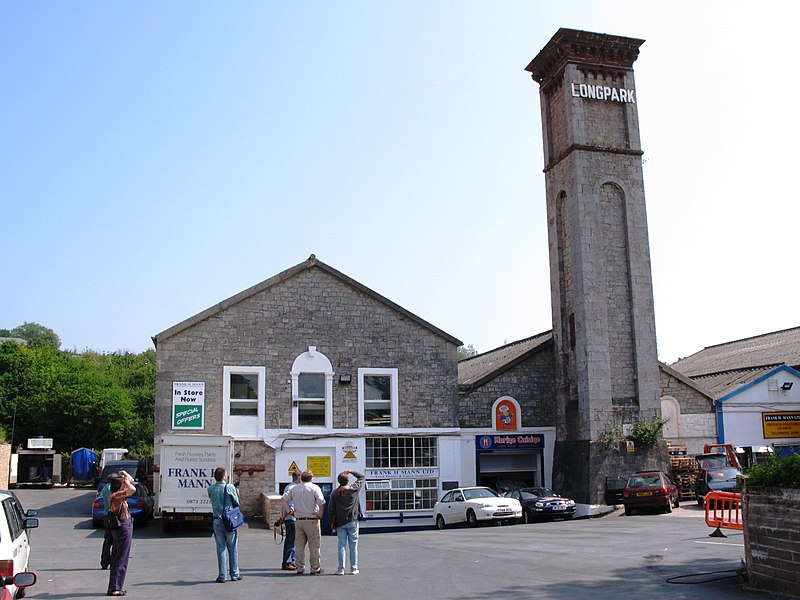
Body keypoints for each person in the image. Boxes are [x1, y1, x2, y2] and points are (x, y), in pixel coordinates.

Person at [281, 469, 325, 575]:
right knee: (314, 545)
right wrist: (320, 514)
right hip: (311, 520)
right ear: (311, 478)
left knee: (299, 545)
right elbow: (321, 502)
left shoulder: (295, 488)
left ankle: (300, 567)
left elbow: (283, 499)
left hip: (298, 520)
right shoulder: (315, 488)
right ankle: (315, 568)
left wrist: (288, 511)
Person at [207, 467, 242, 583]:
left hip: (217, 519)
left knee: (220, 548)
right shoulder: (230, 487)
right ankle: (234, 574)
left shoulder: (211, 489)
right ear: (223, 476)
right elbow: (236, 503)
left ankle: (222, 575)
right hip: (229, 520)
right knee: (232, 547)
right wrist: (237, 494)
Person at [328, 469, 365, 575]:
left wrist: (331, 522)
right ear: (348, 480)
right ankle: (354, 568)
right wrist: (351, 471)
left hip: (340, 522)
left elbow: (331, 509)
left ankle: (341, 569)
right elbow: (361, 477)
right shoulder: (354, 489)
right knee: (353, 545)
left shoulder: (335, 492)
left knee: (341, 545)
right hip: (353, 520)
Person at [106, 470, 135, 597]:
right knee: (121, 558)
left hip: (119, 527)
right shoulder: (117, 496)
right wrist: (126, 480)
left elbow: (131, 482)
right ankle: (116, 588)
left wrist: (125, 474)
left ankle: (113, 586)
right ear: (120, 486)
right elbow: (133, 488)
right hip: (123, 526)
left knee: (117, 556)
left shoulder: (113, 494)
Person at [280, 471, 302, 570]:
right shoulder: (293, 488)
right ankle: (287, 562)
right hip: (291, 518)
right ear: (299, 478)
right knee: (291, 541)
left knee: (291, 540)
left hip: (289, 518)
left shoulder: (289, 487)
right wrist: (286, 516)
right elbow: (289, 505)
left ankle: (290, 561)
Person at [100, 478, 113, 570]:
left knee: (107, 541)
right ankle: (113, 561)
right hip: (112, 515)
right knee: (115, 540)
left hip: (106, 515)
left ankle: (104, 562)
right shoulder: (112, 489)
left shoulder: (105, 488)